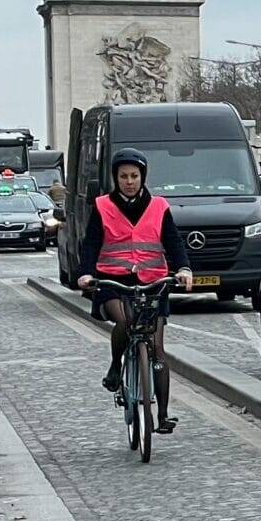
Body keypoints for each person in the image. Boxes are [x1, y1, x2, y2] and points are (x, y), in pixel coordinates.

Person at [75, 149, 193, 432]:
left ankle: (162, 415)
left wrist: (184, 269)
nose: (129, 181)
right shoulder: (103, 205)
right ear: (115, 178)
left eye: (134, 176)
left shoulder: (159, 207)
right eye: (123, 176)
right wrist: (85, 274)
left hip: (153, 283)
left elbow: (173, 242)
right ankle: (116, 365)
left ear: (143, 177)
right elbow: (91, 243)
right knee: (126, 322)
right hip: (112, 282)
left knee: (157, 347)